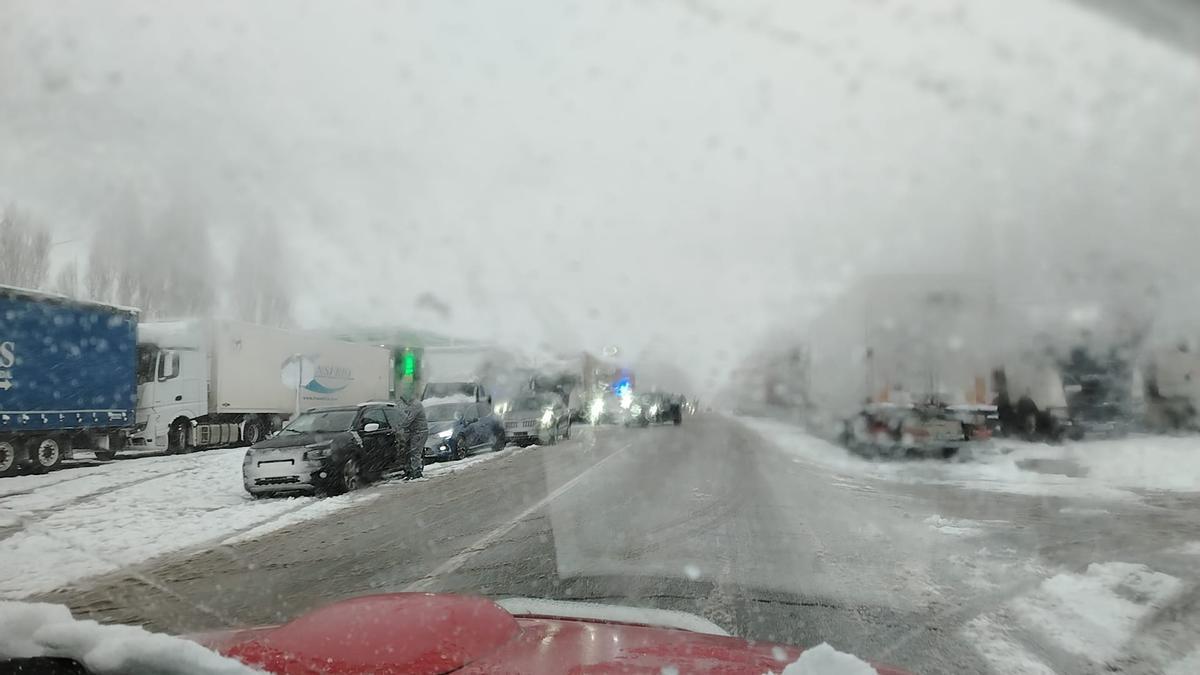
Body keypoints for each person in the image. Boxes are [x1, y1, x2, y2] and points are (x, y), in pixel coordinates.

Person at [397, 397, 428, 479]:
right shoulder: (410, 405)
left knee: (415, 452)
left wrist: (399, 427)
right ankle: (409, 470)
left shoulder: (415, 405)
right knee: (408, 452)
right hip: (413, 432)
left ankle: (416, 472)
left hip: (419, 432)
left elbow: (408, 419)